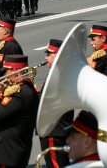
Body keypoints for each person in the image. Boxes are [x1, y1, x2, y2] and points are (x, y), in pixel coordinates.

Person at [0, 55, 38, 168]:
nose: (4, 75)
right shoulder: (22, 89)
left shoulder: (20, 93)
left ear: (15, 71)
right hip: (7, 151)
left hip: (7, 152)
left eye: (6, 71)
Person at [38, 39, 72, 168]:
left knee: (55, 164)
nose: (46, 58)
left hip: (53, 129)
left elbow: (51, 101)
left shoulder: (59, 74)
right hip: (58, 128)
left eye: (48, 54)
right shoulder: (60, 71)